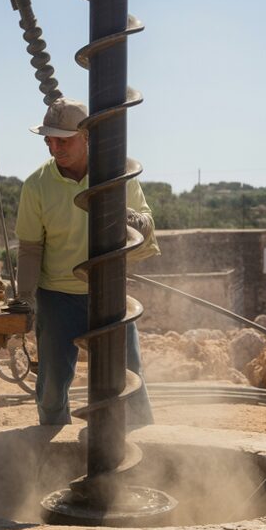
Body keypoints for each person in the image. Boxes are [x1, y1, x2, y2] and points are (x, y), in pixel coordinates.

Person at [14, 97, 159, 426]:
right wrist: (25, 298)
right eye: (49, 140)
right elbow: (31, 248)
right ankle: (50, 445)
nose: (54, 148)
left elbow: (146, 226)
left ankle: (142, 443)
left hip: (109, 295)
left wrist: (127, 216)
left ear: (87, 137)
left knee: (129, 378)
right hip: (57, 297)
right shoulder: (37, 186)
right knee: (52, 386)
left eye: (63, 140)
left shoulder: (117, 176)